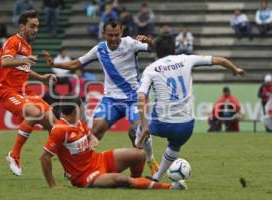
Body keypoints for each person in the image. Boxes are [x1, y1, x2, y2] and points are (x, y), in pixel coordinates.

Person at [43, 19, 159, 175]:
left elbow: (153, 48)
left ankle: (150, 159)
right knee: (95, 130)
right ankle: (80, 164)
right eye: (109, 35)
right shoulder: (99, 49)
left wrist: (149, 41)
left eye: (116, 35)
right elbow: (77, 63)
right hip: (110, 100)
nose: (113, 39)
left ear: (121, 32)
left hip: (132, 99)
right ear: (104, 33)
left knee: (138, 130)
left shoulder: (131, 43)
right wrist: (54, 65)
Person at [135, 36, 244, 183]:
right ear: (174, 49)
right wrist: (235, 70)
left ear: (156, 52)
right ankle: (157, 177)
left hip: (162, 123)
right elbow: (222, 61)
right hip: (186, 126)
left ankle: (149, 158)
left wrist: (144, 125)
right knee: (175, 145)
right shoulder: (186, 59)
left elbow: (141, 97)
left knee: (138, 128)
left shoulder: (151, 69)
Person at [40, 96, 187, 190]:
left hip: (97, 160)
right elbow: (44, 157)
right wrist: (53, 185)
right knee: (121, 180)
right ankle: (170, 187)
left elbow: (89, 135)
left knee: (139, 155)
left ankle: (137, 182)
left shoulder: (77, 122)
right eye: (82, 107)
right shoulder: (59, 130)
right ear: (75, 110)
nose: (84, 109)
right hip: (85, 176)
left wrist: (93, 139)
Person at [0, 10, 57, 176]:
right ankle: (14, 155)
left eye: (37, 26)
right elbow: (5, 61)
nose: (35, 29)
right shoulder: (13, 42)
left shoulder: (28, 46)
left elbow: (24, 68)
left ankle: (70, 166)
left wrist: (41, 77)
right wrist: (23, 59)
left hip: (24, 91)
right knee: (34, 112)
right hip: (7, 91)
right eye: (32, 26)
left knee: (55, 124)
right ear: (22, 26)